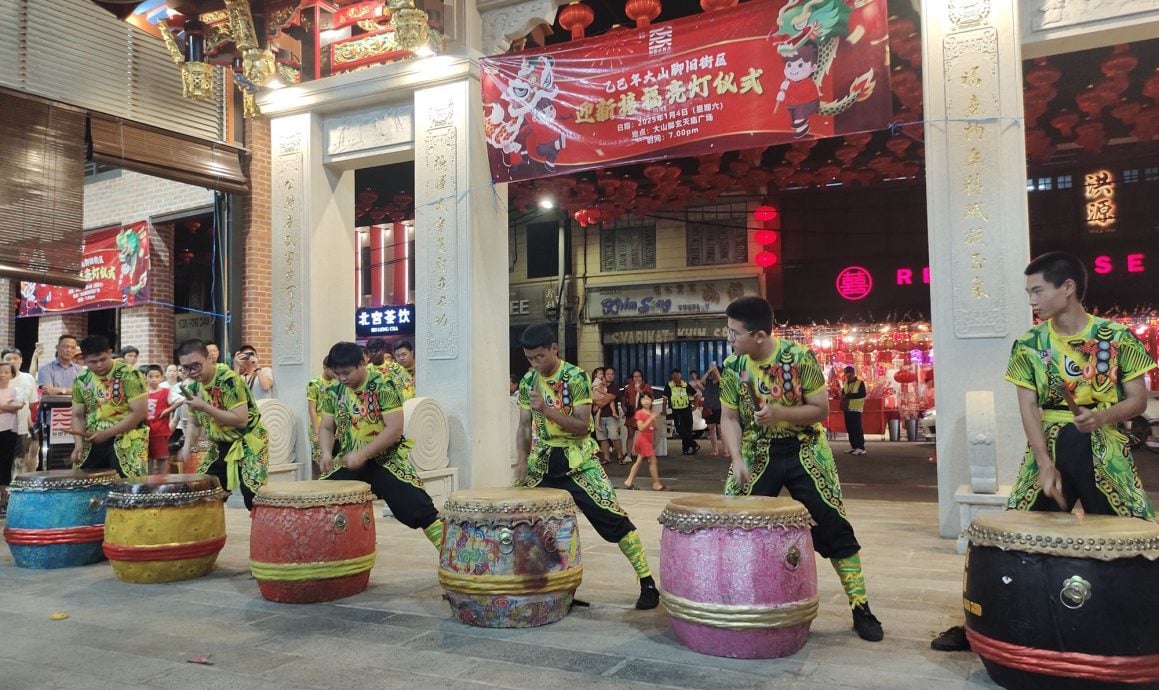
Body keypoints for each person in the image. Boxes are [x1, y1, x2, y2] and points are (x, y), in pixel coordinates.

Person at [932, 251, 1157, 652]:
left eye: (1038, 290)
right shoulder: (1030, 343)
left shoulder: (1116, 337)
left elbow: (1138, 400)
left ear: (1067, 288)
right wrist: (1043, 462)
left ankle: (1139, 628)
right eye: (1029, 292)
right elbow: (1028, 405)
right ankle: (981, 624)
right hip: (1050, 446)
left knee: (1138, 537)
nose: (1032, 300)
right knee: (1008, 536)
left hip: (1105, 448)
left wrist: (1102, 417)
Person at [720, 296, 884, 641]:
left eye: (735, 332)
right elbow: (729, 417)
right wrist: (736, 459)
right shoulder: (733, 366)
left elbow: (821, 410)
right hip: (757, 450)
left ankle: (861, 606)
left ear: (760, 336)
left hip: (805, 448)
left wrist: (779, 413)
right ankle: (730, 599)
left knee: (832, 524)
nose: (729, 338)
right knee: (731, 522)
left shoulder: (799, 358)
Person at [515, 324, 660, 610]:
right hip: (542, 460)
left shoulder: (575, 377)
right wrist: (521, 461)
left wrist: (546, 409)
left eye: (540, 357)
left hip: (578, 460)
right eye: (529, 358)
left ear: (554, 349)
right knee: (525, 523)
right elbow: (522, 426)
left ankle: (647, 582)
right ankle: (555, 587)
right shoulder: (528, 381)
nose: (534, 364)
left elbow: (582, 426)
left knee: (612, 516)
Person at [318, 342, 444, 549]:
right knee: (317, 499)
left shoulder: (383, 384)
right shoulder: (333, 389)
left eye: (347, 372)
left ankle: (455, 557)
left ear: (362, 363)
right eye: (337, 373)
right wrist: (325, 453)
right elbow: (325, 427)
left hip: (384, 460)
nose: (342, 378)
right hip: (349, 462)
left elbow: (394, 428)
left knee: (418, 507)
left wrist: (363, 454)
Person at [177, 339, 269, 510]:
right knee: (204, 488)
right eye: (186, 368)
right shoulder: (193, 387)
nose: (192, 372)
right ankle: (210, 534)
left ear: (209, 358)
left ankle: (263, 534)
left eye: (196, 366)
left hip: (249, 439)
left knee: (253, 494)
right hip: (221, 443)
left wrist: (204, 406)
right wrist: (187, 447)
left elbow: (241, 420)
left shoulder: (228, 381)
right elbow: (194, 422)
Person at [68, 336, 149, 478]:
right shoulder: (81, 379)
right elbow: (77, 415)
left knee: (130, 486)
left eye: (103, 359)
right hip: (94, 438)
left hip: (128, 437)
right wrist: (78, 445)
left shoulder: (129, 374)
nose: (99, 365)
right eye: (93, 362)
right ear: (84, 360)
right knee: (81, 482)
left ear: (110, 353)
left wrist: (107, 433)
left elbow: (139, 412)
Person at [3, 348, 40, 474]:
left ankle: (14, 491)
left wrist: (33, 426)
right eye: (8, 359)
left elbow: (32, 404)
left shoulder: (28, 378)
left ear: (21, 360)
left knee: (20, 461)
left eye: (15, 358)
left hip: (21, 428)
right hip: (3, 428)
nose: (12, 361)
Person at [0, 362, 28, 516]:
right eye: (0, 372)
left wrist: (3, 407)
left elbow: (18, 405)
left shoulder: (17, 390)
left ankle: (4, 500)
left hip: (9, 431)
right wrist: (7, 406)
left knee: (5, 464)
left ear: (11, 374)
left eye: (6, 372)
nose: (2, 375)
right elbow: (12, 406)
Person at [623, 392, 665, 492]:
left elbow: (655, 428)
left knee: (639, 462)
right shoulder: (639, 413)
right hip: (643, 440)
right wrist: (650, 418)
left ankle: (629, 481)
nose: (646, 401)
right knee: (653, 461)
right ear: (640, 401)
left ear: (651, 401)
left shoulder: (651, 413)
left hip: (648, 440)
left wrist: (653, 419)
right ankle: (656, 484)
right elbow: (641, 428)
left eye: (648, 399)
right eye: (643, 399)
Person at [306, 357, 336, 478]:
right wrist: (316, 432)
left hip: (334, 424)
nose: (335, 372)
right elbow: (312, 410)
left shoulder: (336, 383)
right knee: (320, 460)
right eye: (333, 369)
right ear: (325, 368)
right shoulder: (314, 383)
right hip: (319, 423)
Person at [143, 365, 174, 474]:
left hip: (160, 431)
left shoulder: (166, 391)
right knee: (148, 459)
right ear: (145, 377)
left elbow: (180, 400)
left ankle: (162, 482)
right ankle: (149, 483)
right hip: (145, 431)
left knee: (162, 458)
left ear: (161, 378)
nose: (154, 379)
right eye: (150, 376)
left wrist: (168, 410)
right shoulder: (143, 393)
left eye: (157, 376)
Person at [666, 368, 697, 455]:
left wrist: (696, 406)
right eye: (673, 374)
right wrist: (663, 409)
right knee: (680, 429)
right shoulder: (669, 386)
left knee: (687, 430)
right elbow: (665, 397)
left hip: (687, 410)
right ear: (671, 376)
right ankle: (693, 444)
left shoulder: (685, 385)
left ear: (680, 375)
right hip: (676, 411)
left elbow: (696, 394)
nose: (675, 376)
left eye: (677, 374)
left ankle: (686, 449)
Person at [620, 369, 650, 456]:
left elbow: (650, 398)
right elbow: (623, 400)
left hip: (643, 414)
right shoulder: (628, 387)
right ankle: (628, 455)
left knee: (645, 436)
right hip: (632, 414)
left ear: (642, 377)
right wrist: (625, 409)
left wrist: (640, 391)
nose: (636, 378)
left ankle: (646, 454)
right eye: (634, 376)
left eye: (638, 376)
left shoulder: (647, 386)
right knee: (630, 435)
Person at [841, 366, 868, 455]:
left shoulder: (860, 383)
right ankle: (854, 446)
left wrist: (848, 396)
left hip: (856, 408)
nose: (846, 375)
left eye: (847, 373)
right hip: (847, 408)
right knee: (850, 428)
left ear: (852, 373)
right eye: (845, 373)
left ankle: (860, 447)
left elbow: (862, 394)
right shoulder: (845, 383)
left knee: (857, 428)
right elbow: (843, 393)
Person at [701, 363, 723, 456]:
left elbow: (722, 382)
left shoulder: (722, 382)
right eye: (712, 372)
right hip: (709, 408)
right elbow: (701, 381)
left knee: (720, 429)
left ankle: (726, 449)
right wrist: (708, 371)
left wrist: (716, 372)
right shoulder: (709, 382)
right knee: (711, 429)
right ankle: (715, 450)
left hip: (719, 407)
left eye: (715, 372)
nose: (713, 374)